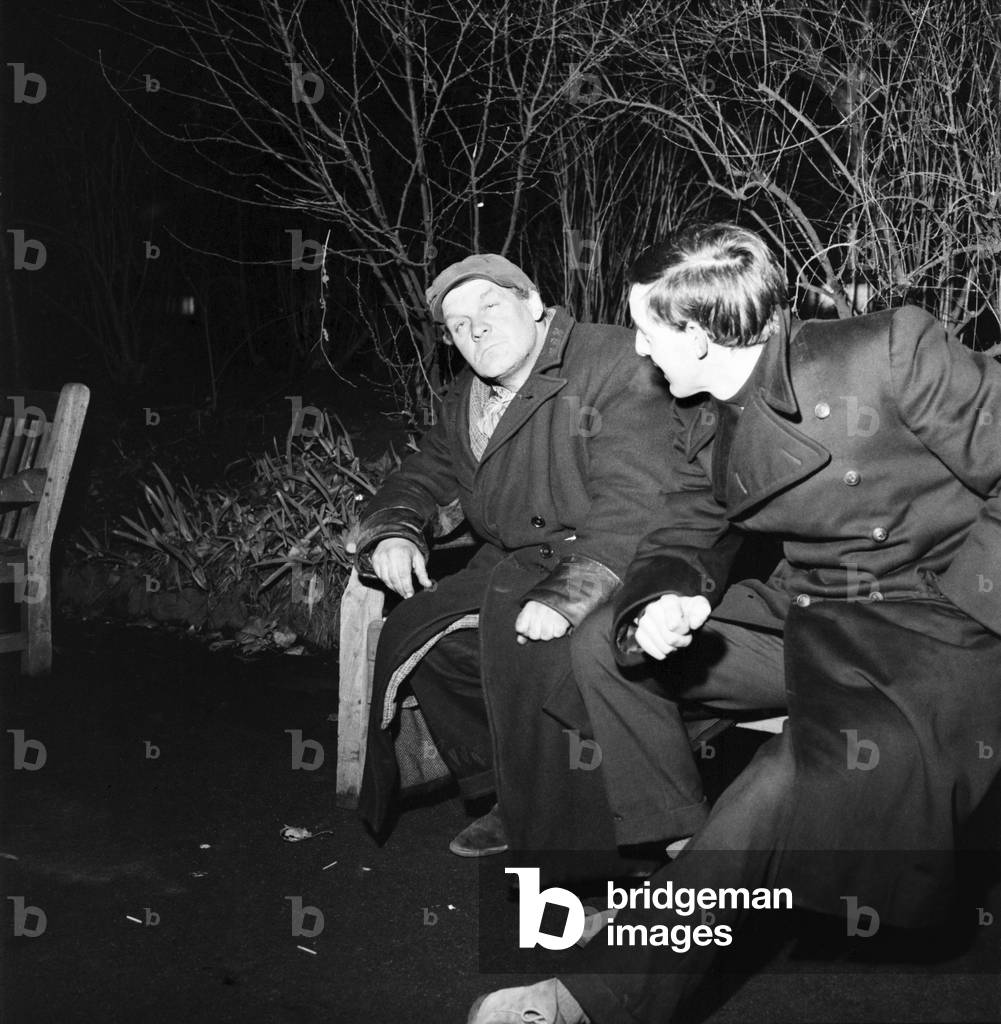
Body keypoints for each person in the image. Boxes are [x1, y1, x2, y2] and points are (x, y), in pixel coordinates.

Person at [470, 223, 1001, 1022]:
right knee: (603, 647)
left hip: (935, 617)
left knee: (789, 779)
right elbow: (683, 528)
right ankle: (691, 878)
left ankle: (594, 996)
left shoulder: (886, 350)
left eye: (649, 332)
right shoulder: (709, 411)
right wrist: (662, 599)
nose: (640, 354)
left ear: (698, 333)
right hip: (813, 608)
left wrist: (969, 603)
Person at [353, 252, 685, 863]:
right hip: (513, 563)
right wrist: (395, 530)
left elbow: (639, 499)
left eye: (489, 306)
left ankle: (587, 855)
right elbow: (423, 474)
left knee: (543, 657)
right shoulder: (468, 396)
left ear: (533, 305)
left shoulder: (615, 360)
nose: (474, 329)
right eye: (456, 324)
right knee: (420, 637)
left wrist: (569, 594)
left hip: (616, 562)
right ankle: (508, 790)